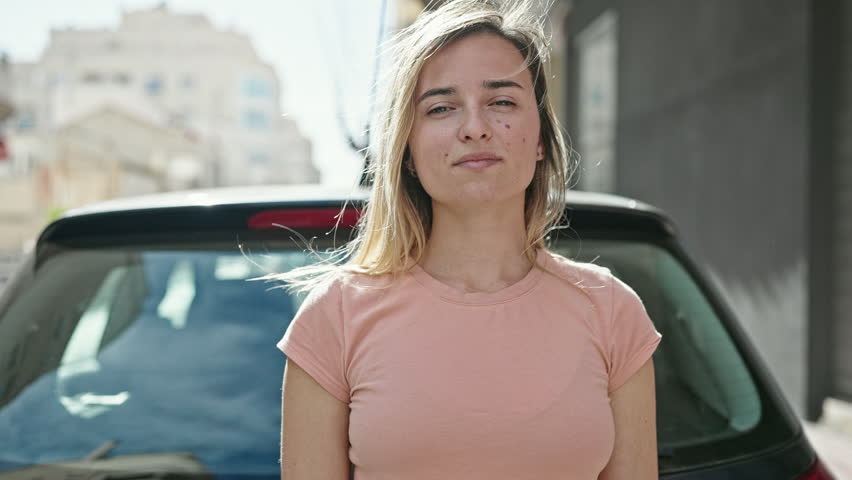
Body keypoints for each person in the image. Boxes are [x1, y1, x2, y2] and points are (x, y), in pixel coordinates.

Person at [276, 0, 662, 478]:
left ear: (541, 136)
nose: (475, 128)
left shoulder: (612, 312)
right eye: (441, 107)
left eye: (501, 101)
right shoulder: (333, 318)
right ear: (408, 149)